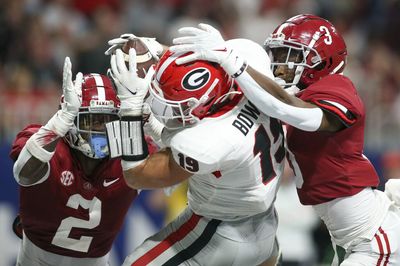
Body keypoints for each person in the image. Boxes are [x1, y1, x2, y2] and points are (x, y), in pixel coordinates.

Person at [169, 15, 400, 265]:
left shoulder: (336, 87)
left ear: (321, 60)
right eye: (277, 55)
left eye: (291, 56)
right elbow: (258, 97)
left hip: (372, 235)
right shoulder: (294, 95)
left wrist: (231, 57)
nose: (280, 66)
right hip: (350, 237)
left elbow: (291, 109)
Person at [104, 36, 285, 265]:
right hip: (265, 225)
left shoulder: (206, 142)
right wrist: (159, 51)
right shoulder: (244, 74)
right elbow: (207, 64)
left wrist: (129, 109)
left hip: (219, 232)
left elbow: (137, 175)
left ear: (205, 104)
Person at [9, 57, 142, 266]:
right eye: (92, 121)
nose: (100, 131)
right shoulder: (45, 141)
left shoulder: (128, 153)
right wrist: (57, 124)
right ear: (70, 118)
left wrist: (151, 121)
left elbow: (180, 159)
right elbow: (23, 173)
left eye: (107, 121)